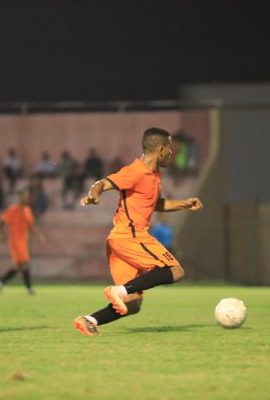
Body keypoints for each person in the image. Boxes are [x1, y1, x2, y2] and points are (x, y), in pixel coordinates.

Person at [73, 127, 203, 336]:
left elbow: (155, 203)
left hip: (118, 241)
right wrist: (93, 195)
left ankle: (89, 320)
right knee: (176, 271)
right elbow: (102, 183)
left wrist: (184, 204)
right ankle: (119, 291)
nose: (172, 153)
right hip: (130, 236)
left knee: (133, 303)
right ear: (160, 150)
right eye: (170, 149)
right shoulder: (136, 171)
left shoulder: (155, 174)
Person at [0, 188, 45, 295]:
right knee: (24, 264)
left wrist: (38, 235)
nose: (24, 197)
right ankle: (29, 289)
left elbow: (31, 225)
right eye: (22, 195)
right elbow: (2, 222)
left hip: (24, 241)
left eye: (26, 195)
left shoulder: (27, 209)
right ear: (19, 197)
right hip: (15, 241)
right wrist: (1, 234)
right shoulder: (13, 209)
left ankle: (0, 282)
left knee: (18, 267)